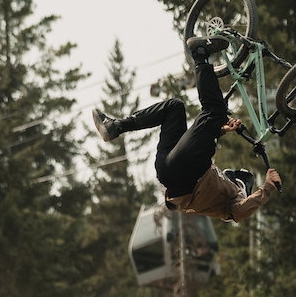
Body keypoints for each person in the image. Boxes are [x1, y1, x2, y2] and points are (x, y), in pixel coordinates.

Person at [92, 32, 281, 223]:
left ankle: (200, 53)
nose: (228, 174)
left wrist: (267, 188)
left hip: (187, 175)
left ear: (243, 186)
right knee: (174, 108)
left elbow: (240, 212)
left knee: (215, 111)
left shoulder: (234, 201)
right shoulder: (219, 188)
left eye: (235, 177)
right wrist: (221, 130)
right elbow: (198, 145)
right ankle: (116, 126)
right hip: (169, 170)